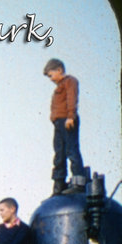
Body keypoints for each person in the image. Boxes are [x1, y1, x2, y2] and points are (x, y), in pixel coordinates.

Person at [43, 58, 85, 195]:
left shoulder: (70, 81)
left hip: (67, 120)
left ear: (59, 70)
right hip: (58, 123)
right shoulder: (58, 87)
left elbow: (72, 98)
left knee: (71, 150)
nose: (51, 79)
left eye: (51, 75)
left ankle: (79, 181)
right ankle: (59, 184)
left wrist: (70, 116)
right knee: (59, 153)